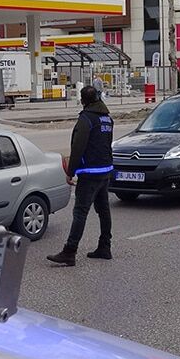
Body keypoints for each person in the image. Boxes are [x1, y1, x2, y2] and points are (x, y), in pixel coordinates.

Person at [48, 86, 114, 267]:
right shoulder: (107, 118)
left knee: (80, 212)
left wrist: (71, 172)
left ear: (83, 100)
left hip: (90, 172)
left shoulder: (86, 119)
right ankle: (105, 246)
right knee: (103, 210)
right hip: (105, 170)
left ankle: (70, 251)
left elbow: (78, 148)